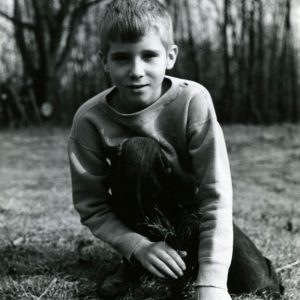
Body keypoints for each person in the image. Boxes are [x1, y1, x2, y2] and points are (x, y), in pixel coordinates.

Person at [68, 0, 282, 299]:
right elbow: (92, 206)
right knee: (138, 151)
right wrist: (137, 246)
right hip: (139, 224)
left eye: (149, 55)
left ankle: (184, 257)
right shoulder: (89, 119)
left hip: (193, 215)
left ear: (170, 56)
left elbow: (215, 193)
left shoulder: (193, 100)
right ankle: (139, 261)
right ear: (104, 60)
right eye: (121, 58)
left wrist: (212, 279)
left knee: (257, 283)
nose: (136, 71)